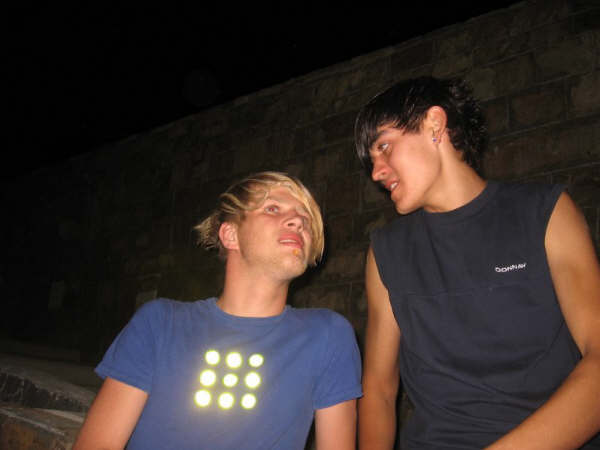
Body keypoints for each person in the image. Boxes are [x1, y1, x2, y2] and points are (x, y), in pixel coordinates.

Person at [354, 76, 600, 449]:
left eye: (384, 146)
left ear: (434, 124)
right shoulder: (386, 252)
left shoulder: (543, 213)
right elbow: (379, 390)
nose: (376, 172)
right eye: (372, 160)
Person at [74, 171, 362, 450]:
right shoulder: (161, 323)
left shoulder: (327, 335)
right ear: (230, 234)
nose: (299, 221)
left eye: (306, 218)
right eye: (273, 208)